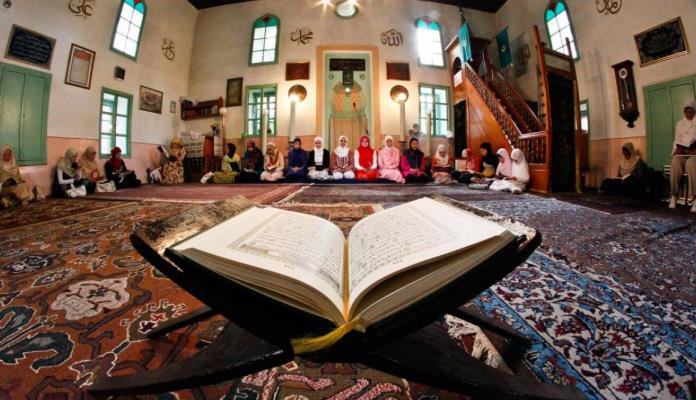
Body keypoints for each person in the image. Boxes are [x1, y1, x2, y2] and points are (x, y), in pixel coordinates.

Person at [669, 99, 696, 212]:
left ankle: (694, 199)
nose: (689, 114)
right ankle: (673, 196)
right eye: (686, 111)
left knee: (691, 164)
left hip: (694, 155)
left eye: (691, 111)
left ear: (694, 111)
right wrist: (678, 150)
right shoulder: (679, 124)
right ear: (684, 112)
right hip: (682, 153)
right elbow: (676, 140)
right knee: (675, 162)